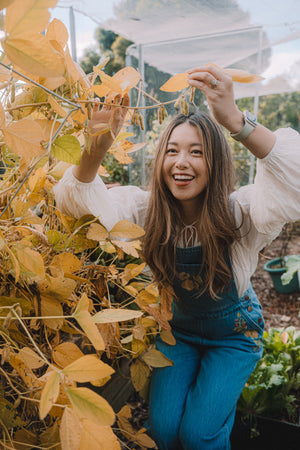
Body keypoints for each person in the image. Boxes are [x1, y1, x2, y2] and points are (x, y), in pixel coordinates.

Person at [54, 65, 300, 449]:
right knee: (165, 432)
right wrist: (94, 149)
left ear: (215, 162)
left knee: (199, 435)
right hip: (177, 331)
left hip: (234, 337)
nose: (181, 162)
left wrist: (235, 121)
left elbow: (294, 181)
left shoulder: (241, 214)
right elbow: (80, 207)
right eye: (172, 150)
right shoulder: (142, 210)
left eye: (196, 152)